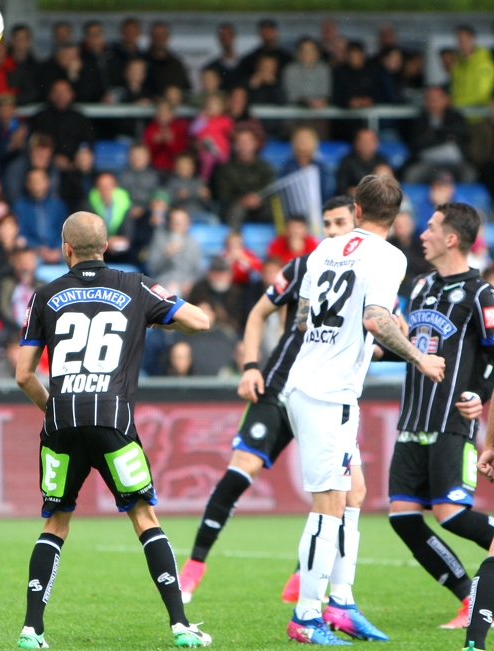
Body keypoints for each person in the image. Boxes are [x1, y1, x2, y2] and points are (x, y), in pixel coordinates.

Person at [13, 211, 211, 649]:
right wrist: (157, 315)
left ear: (67, 250)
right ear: (106, 247)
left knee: (55, 522)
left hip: (61, 423)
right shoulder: (134, 285)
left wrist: (54, 409)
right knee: (144, 517)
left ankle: (32, 628)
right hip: (113, 421)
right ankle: (180, 623)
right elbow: (200, 321)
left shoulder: (44, 295)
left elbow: (23, 375)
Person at [282, 175, 445, 644]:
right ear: (395, 219)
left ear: (355, 209)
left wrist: (355, 341)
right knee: (329, 503)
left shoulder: (322, 249)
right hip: (327, 393)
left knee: (354, 492)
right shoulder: (390, 256)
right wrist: (417, 355)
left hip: (313, 381)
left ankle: (342, 605)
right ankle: (306, 617)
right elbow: (375, 318)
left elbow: (303, 317)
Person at [180, 197, 357, 601]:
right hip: (278, 387)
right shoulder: (302, 267)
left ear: (356, 224)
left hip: (328, 395)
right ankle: (193, 567)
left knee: (347, 492)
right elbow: (258, 314)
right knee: (240, 471)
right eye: (326, 224)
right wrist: (251, 366)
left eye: (339, 223)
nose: (331, 232)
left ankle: (302, 580)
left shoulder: (369, 276)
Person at [387, 202, 494, 629]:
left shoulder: (482, 293)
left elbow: (492, 355)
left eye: (431, 228)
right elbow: (416, 347)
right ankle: (469, 597)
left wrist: (479, 394)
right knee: (403, 517)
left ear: (452, 238)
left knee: (451, 514)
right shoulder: (419, 285)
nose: (422, 234)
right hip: (412, 420)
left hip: (452, 423)